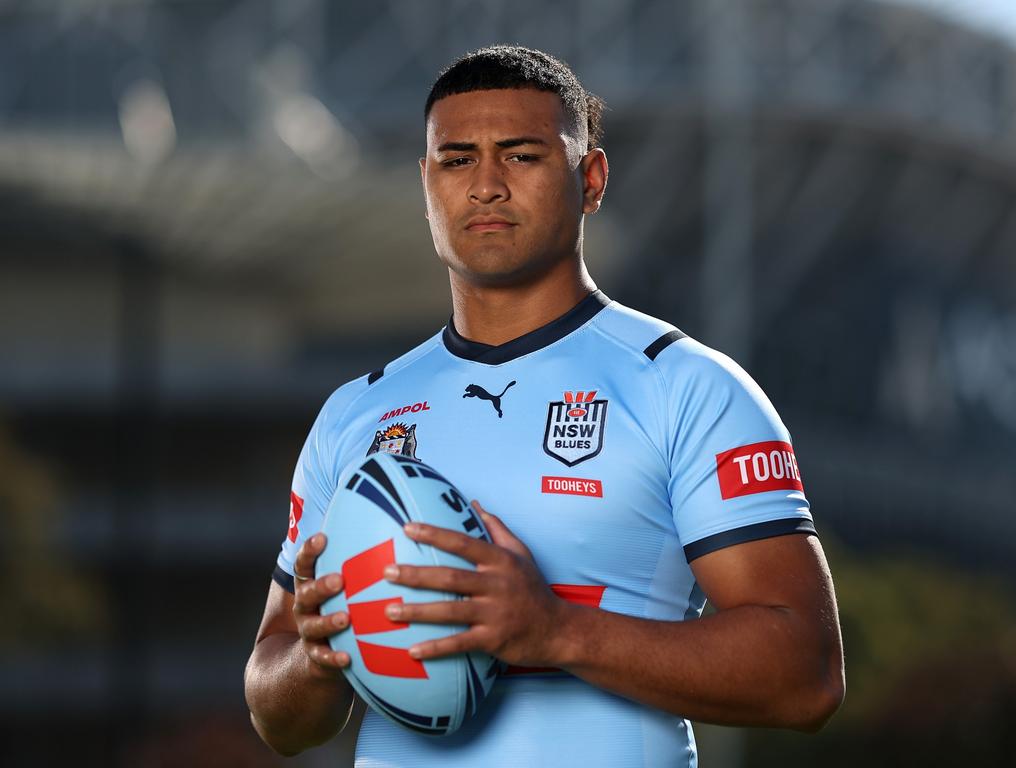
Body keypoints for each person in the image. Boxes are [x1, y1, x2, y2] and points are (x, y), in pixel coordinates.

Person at [244, 45, 844, 767]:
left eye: (521, 156)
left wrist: (556, 630)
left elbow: (807, 678)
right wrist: (314, 659)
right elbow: (278, 717)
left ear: (589, 179)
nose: (486, 186)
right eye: (457, 159)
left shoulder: (688, 388)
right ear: (426, 182)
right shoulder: (356, 414)